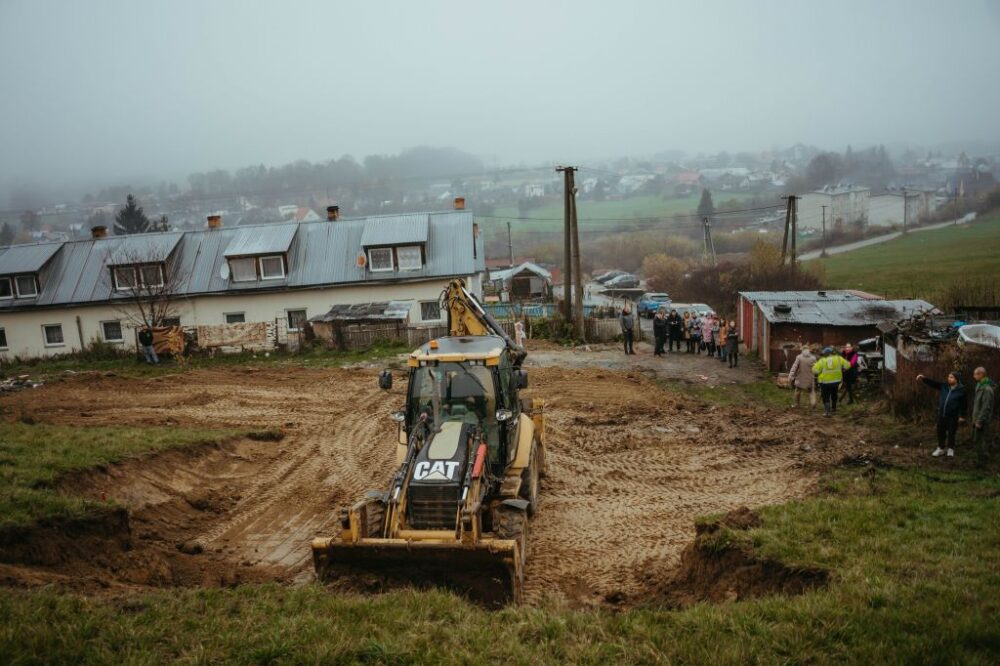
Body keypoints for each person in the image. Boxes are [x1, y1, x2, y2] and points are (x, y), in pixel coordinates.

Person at [916, 371, 967, 458]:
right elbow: (933, 383)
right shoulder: (944, 386)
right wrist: (924, 378)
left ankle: (950, 449)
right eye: (949, 377)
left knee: (951, 433)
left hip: (953, 416)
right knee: (940, 431)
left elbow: (964, 404)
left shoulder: (961, 390)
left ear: (956, 379)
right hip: (942, 414)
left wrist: (962, 416)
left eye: (951, 377)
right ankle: (941, 448)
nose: (949, 378)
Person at [812, 346, 851, 417]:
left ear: (825, 354)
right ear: (832, 353)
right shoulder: (839, 359)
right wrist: (842, 369)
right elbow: (848, 365)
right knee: (834, 394)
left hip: (824, 382)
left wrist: (815, 367)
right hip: (836, 381)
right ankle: (834, 408)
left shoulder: (822, 361)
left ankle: (827, 412)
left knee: (825, 396)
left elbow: (814, 370)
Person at [972, 366, 995, 467]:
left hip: (982, 421)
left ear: (981, 374)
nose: (973, 376)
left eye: (975, 374)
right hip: (976, 418)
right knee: (977, 440)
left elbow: (986, 407)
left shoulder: (987, 389)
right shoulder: (979, 386)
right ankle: (980, 459)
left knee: (981, 441)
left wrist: (980, 420)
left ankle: (982, 462)